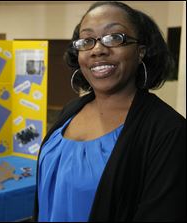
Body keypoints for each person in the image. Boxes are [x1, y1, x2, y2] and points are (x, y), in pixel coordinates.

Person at [34, 1, 186, 222]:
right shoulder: (71, 110)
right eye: (87, 40)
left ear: (140, 51)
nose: (98, 50)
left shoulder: (169, 132)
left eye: (115, 38)